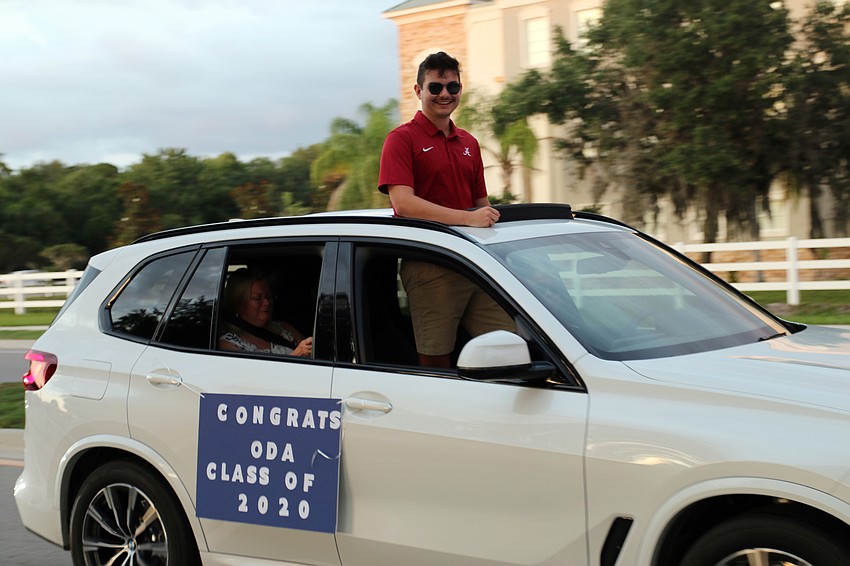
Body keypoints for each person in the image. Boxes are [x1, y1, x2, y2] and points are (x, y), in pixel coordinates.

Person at [378, 51, 515, 368]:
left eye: (452, 87)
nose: (445, 94)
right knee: (436, 357)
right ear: (418, 91)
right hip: (431, 264)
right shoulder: (401, 140)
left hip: (475, 262)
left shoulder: (469, 142)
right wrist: (469, 219)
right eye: (435, 87)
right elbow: (403, 203)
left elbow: (482, 207)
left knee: (509, 348)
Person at [218, 267, 313, 357]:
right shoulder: (229, 344)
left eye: (269, 296)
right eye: (257, 298)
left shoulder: (285, 329)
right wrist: (297, 355)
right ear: (238, 304)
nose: (267, 303)